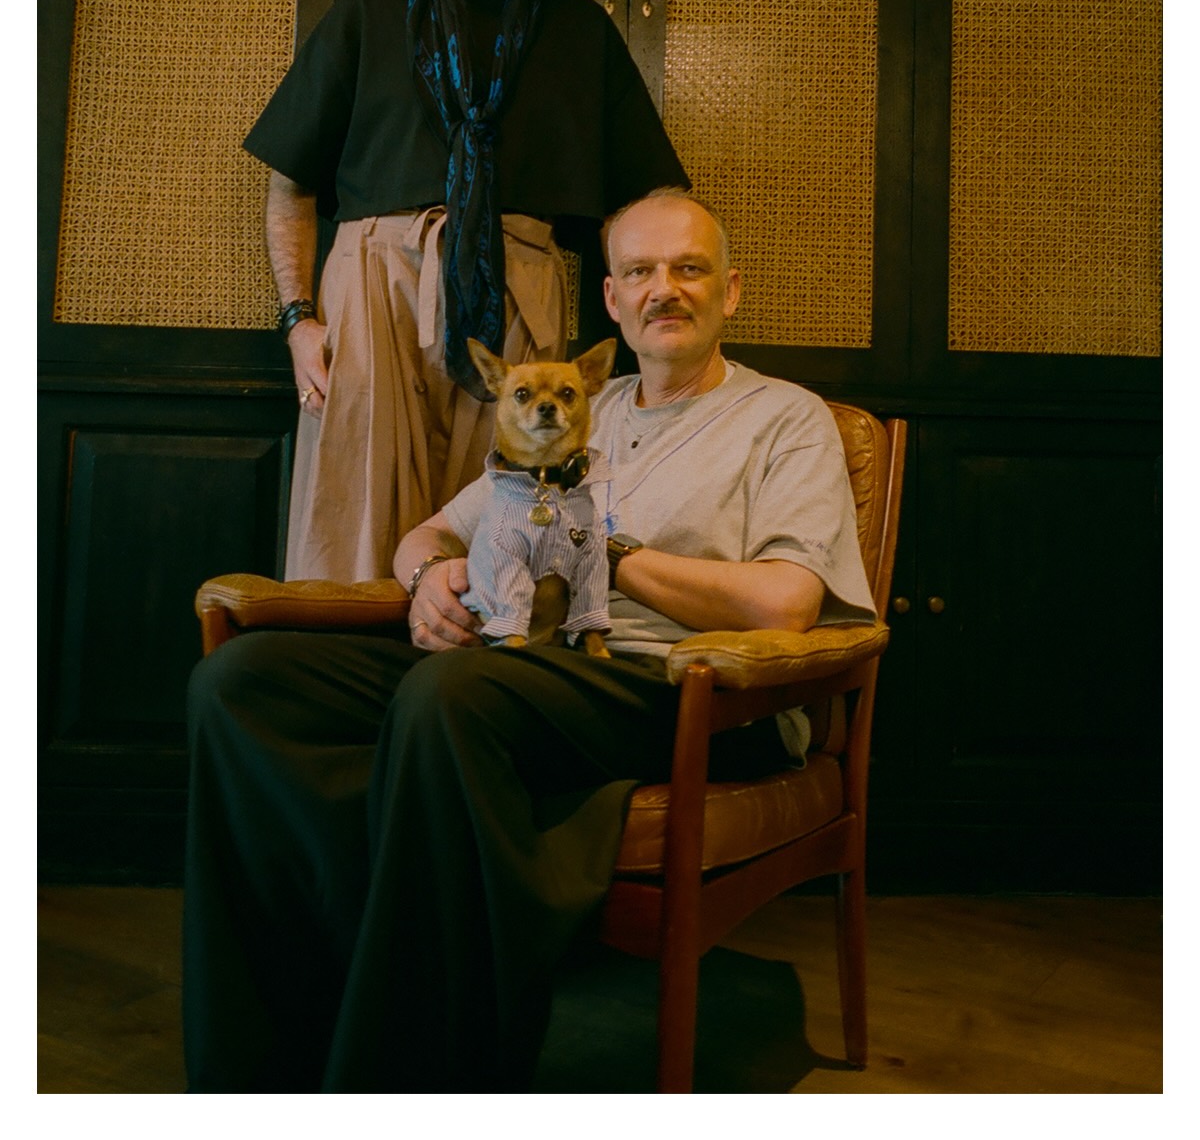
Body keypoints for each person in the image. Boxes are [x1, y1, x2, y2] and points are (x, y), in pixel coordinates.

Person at [183, 188, 875, 1093]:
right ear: (613, 300)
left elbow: (787, 605)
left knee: (452, 694)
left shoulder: (786, 418)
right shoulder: (573, 403)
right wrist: (428, 580)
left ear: (730, 291)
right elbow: (429, 533)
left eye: (689, 268)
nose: (664, 289)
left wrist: (607, 554)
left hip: (683, 685)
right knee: (245, 679)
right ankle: (263, 1062)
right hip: (528, 670)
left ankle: (416, 1078)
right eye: (639, 272)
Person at [242, 0, 688, 582]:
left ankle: (479, 664)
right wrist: (298, 321)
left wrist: (652, 321)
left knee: (506, 531)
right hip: (375, 286)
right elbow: (290, 183)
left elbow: (642, 207)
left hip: (519, 291)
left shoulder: (580, 30)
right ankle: (347, 662)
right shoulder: (367, 12)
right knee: (356, 529)